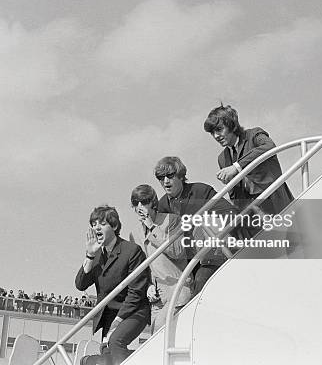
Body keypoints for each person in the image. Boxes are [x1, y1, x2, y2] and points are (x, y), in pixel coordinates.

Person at [76, 205, 151, 365]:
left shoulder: (132, 251)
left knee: (116, 342)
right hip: (109, 316)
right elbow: (80, 284)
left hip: (134, 311)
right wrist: (89, 255)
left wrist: (118, 322)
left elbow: (136, 292)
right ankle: (87, 361)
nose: (96, 227)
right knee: (107, 359)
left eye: (102, 224)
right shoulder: (96, 255)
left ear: (115, 226)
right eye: (93, 224)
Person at [154, 156, 238, 296]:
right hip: (184, 263)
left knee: (200, 285)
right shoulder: (162, 206)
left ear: (181, 176)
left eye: (169, 175)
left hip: (212, 255)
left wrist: (201, 222)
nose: (165, 181)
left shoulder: (201, 190)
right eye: (161, 177)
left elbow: (231, 214)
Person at [203, 104, 294, 214]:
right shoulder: (222, 158)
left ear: (231, 125)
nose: (216, 136)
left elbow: (269, 146)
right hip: (252, 212)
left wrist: (237, 167)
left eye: (219, 129)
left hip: (276, 200)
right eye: (212, 133)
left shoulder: (253, 135)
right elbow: (234, 195)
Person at [131, 184, 192, 333]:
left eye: (144, 202)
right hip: (157, 297)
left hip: (178, 288)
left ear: (153, 203)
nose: (140, 207)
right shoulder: (135, 233)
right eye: (135, 203)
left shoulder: (173, 220)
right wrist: (148, 286)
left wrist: (152, 227)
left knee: (159, 328)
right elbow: (140, 267)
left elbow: (177, 251)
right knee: (155, 337)